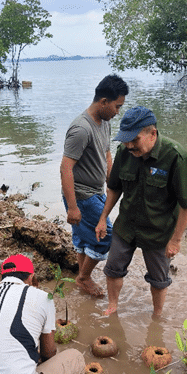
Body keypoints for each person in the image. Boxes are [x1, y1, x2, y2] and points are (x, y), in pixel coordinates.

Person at [95, 106, 187, 316]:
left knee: (159, 279)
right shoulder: (124, 153)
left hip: (158, 231)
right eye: (125, 140)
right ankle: (113, 305)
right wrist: (102, 218)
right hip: (126, 226)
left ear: (152, 134)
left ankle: (157, 315)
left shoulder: (176, 157)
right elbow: (115, 187)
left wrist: (176, 240)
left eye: (134, 140)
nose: (129, 145)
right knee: (113, 268)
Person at [60, 74, 129, 298]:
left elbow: (106, 154)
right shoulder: (81, 129)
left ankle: (82, 279)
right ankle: (84, 277)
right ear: (103, 102)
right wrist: (72, 207)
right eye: (116, 106)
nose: (117, 111)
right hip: (82, 195)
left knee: (83, 239)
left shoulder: (104, 123)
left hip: (97, 191)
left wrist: (113, 182)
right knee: (106, 237)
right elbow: (65, 168)